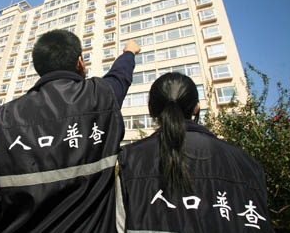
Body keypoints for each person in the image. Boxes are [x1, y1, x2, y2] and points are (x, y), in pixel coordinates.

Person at [0, 29, 141, 233]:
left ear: (39, 67)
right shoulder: (100, 96)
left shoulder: (7, 115)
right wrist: (128, 53)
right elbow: (120, 76)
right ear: (80, 62)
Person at [116, 72, 274, 232]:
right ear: (197, 107)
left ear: (151, 110)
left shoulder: (129, 159)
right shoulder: (247, 163)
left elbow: (119, 225)